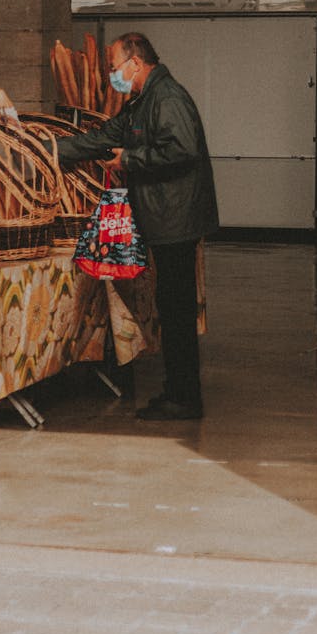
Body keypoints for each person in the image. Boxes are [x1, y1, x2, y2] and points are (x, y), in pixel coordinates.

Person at [54, 32, 219, 420]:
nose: (112, 75)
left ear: (136, 63)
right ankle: (177, 391)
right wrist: (50, 150)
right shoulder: (143, 101)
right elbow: (104, 136)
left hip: (175, 219)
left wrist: (130, 159)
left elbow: (182, 148)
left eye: (114, 68)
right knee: (171, 309)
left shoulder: (167, 98)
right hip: (166, 218)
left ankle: (184, 399)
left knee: (176, 312)